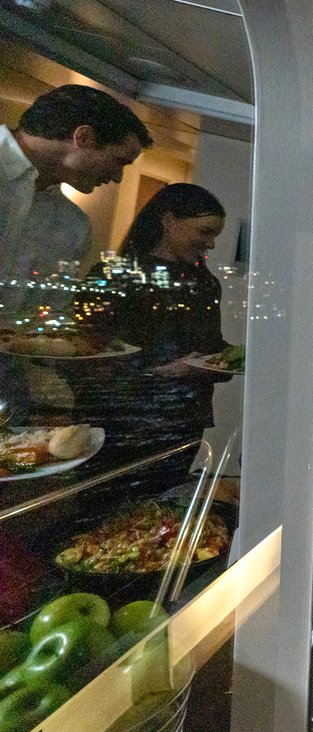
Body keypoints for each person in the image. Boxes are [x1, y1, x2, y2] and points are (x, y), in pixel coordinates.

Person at [76, 183, 230, 486]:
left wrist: (231, 359)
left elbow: (211, 347)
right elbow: (85, 355)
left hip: (182, 422)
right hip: (117, 422)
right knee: (106, 508)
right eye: (204, 232)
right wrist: (157, 373)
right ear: (168, 220)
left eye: (214, 235)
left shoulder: (205, 283)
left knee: (159, 508)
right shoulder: (112, 274)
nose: (210, 244)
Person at [1, 84, 150, 264]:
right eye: (119, 161)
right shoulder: (72, 224)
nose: (118, 177)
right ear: (83, 137)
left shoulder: (72, 224)